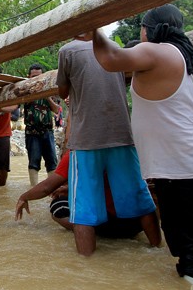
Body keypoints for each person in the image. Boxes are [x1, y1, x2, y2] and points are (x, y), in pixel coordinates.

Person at [91, 4, 193, 285]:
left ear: (148, 29)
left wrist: (91, 23)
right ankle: (191, 275)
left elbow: (109, 57)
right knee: (183, 241)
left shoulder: (158, 50)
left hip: (186, 168)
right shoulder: (190, 60)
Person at [57, 32, 160, 256]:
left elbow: (62, 91)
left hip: (86, 139)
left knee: (82, 208)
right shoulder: (114, 46)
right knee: (141, 198)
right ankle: (157, 250)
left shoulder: (67, 51)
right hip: (121, 135)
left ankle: (86, 264)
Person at [16, 151, 149, 241]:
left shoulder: (76, 153)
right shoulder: (128, 148)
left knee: (57, 205)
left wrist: (24, 197)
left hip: (105, 225)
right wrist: (69, 188)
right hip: (136, 224)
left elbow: (46, 188)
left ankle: (87, 233)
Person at [23, 64, 60, 186]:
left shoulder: (51, 90)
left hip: (47, 131)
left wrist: (47, 98)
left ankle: (52, 189)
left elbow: (57, 110)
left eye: (39, 76)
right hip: (31, 132)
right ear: (29, 77)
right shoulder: (24, 91)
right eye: (33, 76)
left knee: (52, 162)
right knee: (33, 162)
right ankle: (33, 187)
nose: (36, 79)